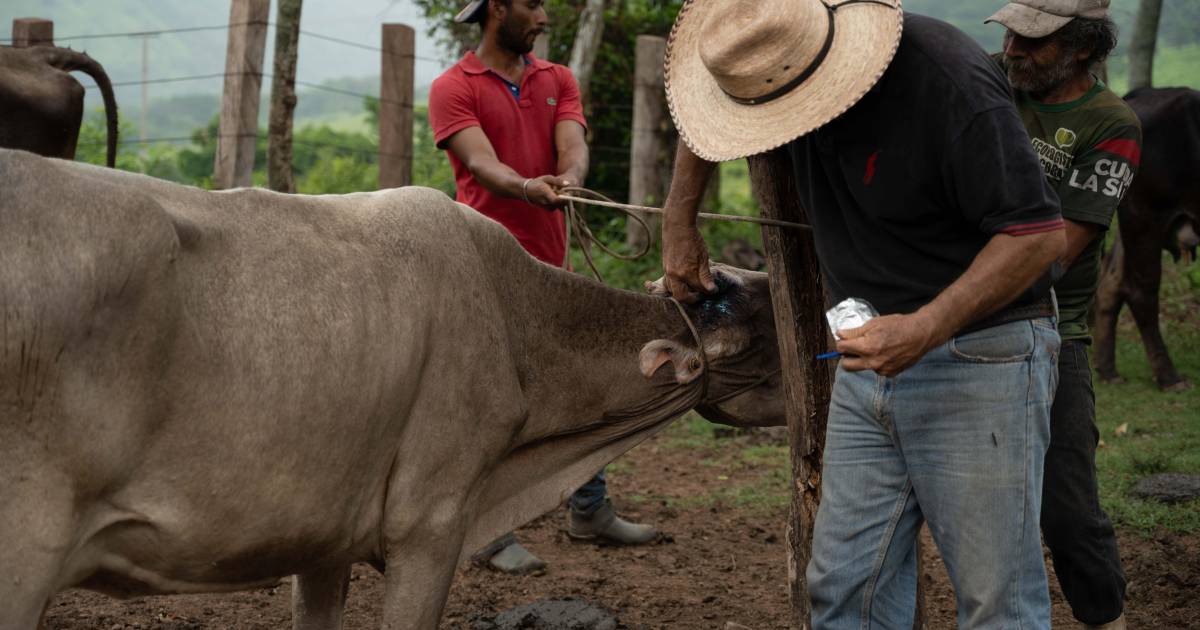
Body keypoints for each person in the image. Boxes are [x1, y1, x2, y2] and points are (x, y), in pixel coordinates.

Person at [658, 0, 1066, 627]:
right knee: (844, 588)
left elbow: (1037, 236)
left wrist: (925, 327)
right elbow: (703, 116)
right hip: (865, 356)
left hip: (980, 353)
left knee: (996, 602)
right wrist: (679, 220)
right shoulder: (765, 63)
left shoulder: (947, 80)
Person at [427, 0, 657, 575]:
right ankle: (488, 532)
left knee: (582, 382)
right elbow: (480, 165)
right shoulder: (452, 87)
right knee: (492, 398)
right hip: (485, 269)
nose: (544, 16)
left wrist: (571, 179)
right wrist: (529, 188)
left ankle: (590, 509)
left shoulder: (557, 79)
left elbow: (572, 144)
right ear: (496, 7)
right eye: (531, 4)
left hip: (552, 264)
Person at [986, 2, 1139, 628]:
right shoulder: (988, 78)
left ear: (1080, 49)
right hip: (946, 315)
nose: (1015, 48)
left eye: (1035, 40)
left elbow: (1059, 251)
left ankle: (1106, 618)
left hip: (1051, 329)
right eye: (1013, 33)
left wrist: (945, 283)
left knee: (1069, 512)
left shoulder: (1111, 123)